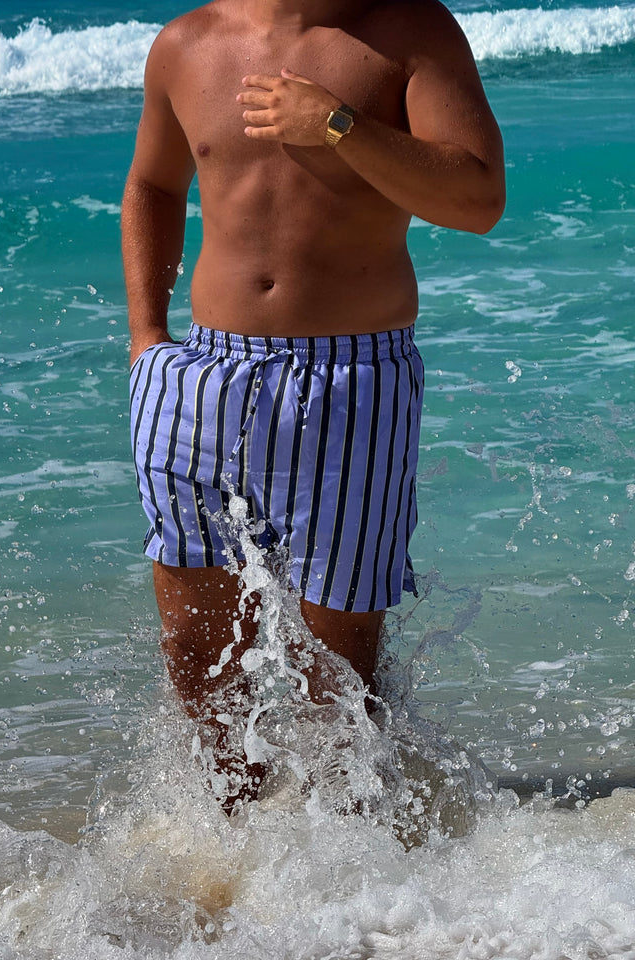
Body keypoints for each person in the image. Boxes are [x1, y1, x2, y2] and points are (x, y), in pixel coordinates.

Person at [123, 0, 505, 806]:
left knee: (335, 668)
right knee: (198, 653)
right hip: (199, 376)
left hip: (352, 380)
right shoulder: (187, 44)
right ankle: (232, 847)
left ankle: (350, 857)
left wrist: (338, 125)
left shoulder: (411, 33)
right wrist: (147, 336)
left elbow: (477, 197)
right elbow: (154, 184)